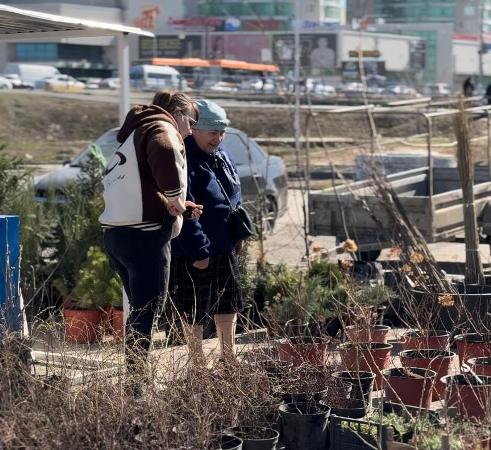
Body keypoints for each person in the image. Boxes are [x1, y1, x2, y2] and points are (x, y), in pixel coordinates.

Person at [99, 89, 201, 390]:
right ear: (178, 114)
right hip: (144, 236)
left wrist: (178, 205)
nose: (190, 131)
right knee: (146, 313)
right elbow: (164, 149)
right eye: (191, 122)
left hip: (116, 233)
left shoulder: (134, 133)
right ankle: (138, 387)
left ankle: (136, 382)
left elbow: (142, 183)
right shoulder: (161, 127)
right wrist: (174, 196)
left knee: (139, 312)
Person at [168, 99, 244, 363]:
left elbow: (234, 195)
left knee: (228, 301)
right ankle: (197, 363)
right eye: (213, 132)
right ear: (195, 130)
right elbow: (184, 207)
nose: (218, 138)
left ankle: (228, 357)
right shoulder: (184, 159)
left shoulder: (221, 156)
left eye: (222, 132)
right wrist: (199, 250)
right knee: (194, 307)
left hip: (224, 245)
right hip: (195, 251)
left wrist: (237, 233)